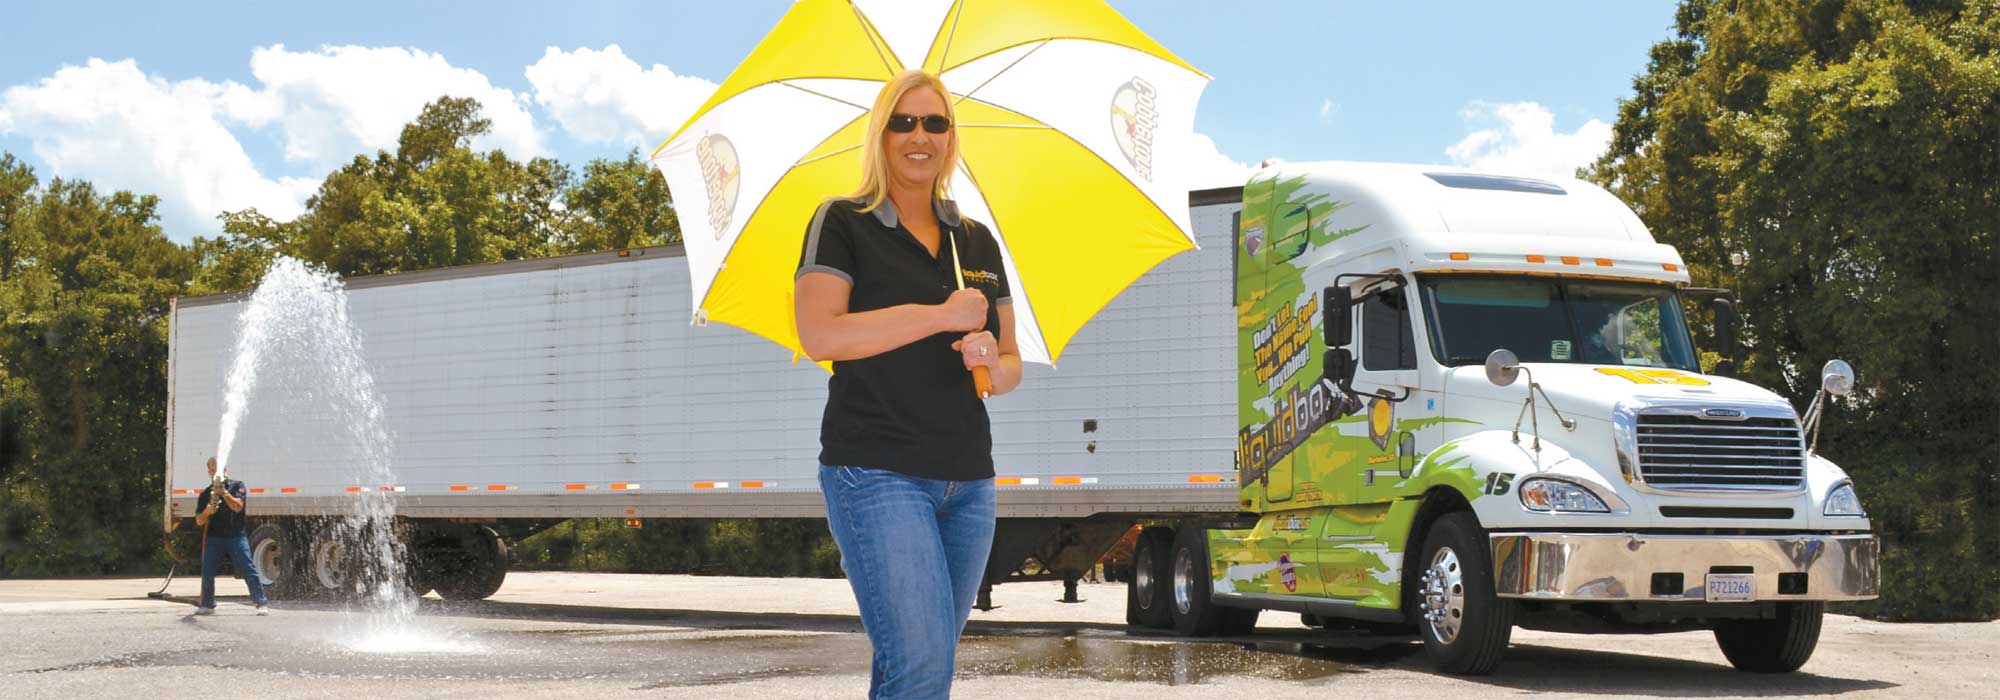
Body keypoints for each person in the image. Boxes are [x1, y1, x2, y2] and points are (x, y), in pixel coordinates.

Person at [793, 69, 1023, 699]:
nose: (919, 135)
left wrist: (988, 357)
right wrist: (942, 316)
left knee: (915, 667)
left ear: (951, 138)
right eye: (903, 121)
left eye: (935, 123)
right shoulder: (842, 221)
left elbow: (1009, 366)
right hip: (876, 471)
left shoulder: (974, 240)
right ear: (882, 134)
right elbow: (821, 336)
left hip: (968, 481)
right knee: (920, 667)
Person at [195, 457, 269, 616]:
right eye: (212, 470)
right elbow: (199, 521)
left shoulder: (237, 486)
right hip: (214, 538)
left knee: (248, 568)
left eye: (218, 469)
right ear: (209, 472)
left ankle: (261, 602)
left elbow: (237, 507)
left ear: (225, 470)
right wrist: (208, 511)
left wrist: (224, 493)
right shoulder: (205, 494)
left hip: (236, 536)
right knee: (207, 571)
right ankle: (207, 604)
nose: (215, 472)